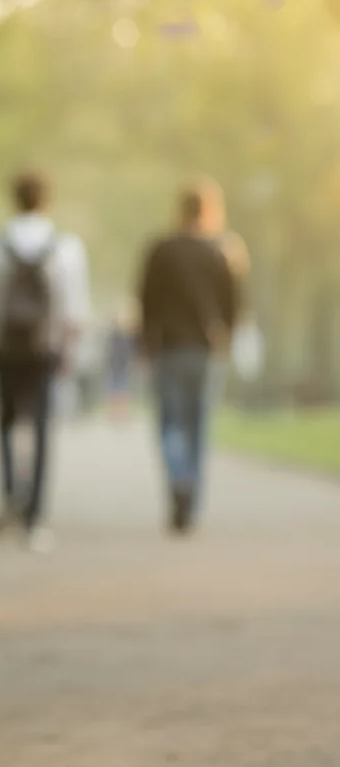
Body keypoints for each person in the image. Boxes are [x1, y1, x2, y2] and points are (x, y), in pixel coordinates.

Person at [0, 171, 90, 551]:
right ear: (46, 201)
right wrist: (70, 353)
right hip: (45, 348)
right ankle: (36, 517)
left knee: (5, 424)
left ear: (14, 198)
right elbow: (74, 311)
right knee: (40, 427)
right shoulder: (66, 247)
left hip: (7, 347)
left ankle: (9, 500)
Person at [139, 178, 245, 535]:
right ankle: (192, 496)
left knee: (169, 422)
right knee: (198, 424)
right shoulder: (224, 250)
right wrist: (227, 335)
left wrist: (144, 342)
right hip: (206, 347)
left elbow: (146, 299)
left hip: (168, 345)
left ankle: (178, 479)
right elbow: (234, 304)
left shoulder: (161, 249)